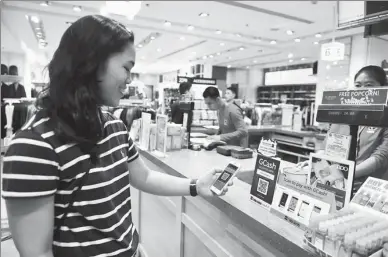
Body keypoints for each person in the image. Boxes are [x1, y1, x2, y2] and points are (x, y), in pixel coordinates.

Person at [1, 15, 232, 257]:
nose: (130, 80)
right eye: (126, 68)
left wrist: (195, 185)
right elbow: (37, 253)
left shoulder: (113, 126)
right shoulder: (34, 145)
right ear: (92, 62)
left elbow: (145, 176)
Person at [300, 65, 388, 187]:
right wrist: (315, 165)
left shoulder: (385, 117)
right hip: (335, 182)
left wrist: (345, 175)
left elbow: (380, 157)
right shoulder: (342, 114)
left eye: (369, 85)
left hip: (366, 187)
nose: (362, 90)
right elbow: (326, 148)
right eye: (357, 85)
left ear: (383, 87)